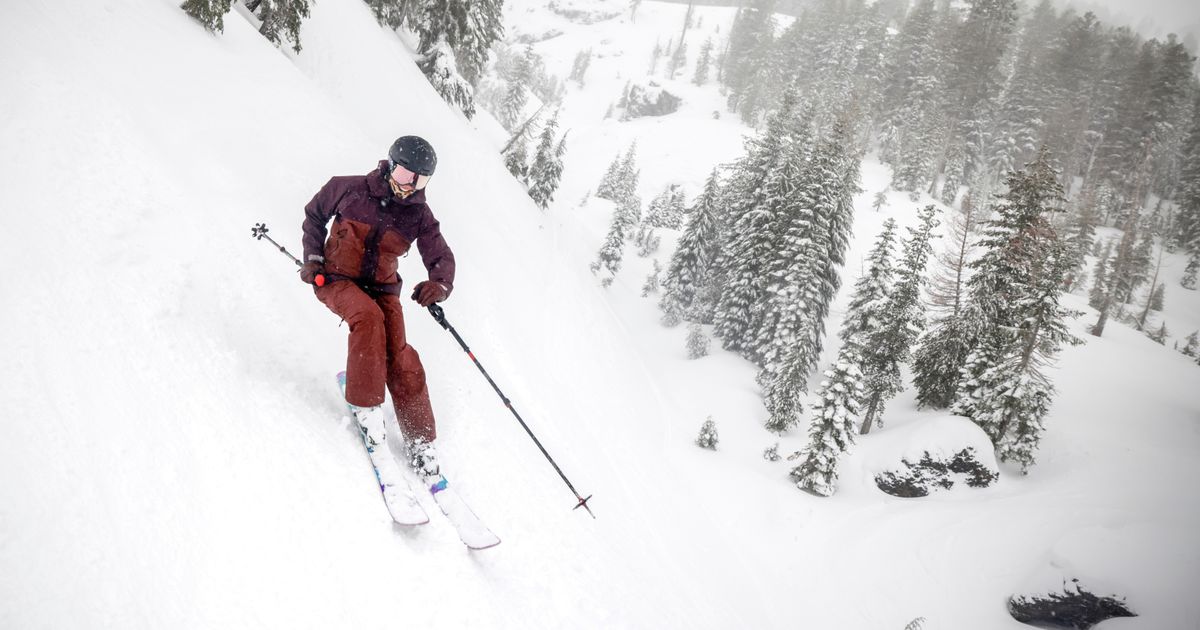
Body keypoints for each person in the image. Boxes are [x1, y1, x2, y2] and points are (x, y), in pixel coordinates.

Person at [299, 135, 454, 484]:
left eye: (418, 180)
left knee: (397, 351)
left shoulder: (418, 216)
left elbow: (439, 254)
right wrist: (313, 258)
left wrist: (440, 284)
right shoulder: (349, 188)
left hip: (383, 288)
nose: (407, 185)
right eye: (402, 174)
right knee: (368, 319)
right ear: (389, 166)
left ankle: (421, 441)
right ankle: (367, 409)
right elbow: (314, 215)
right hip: (335, 279)